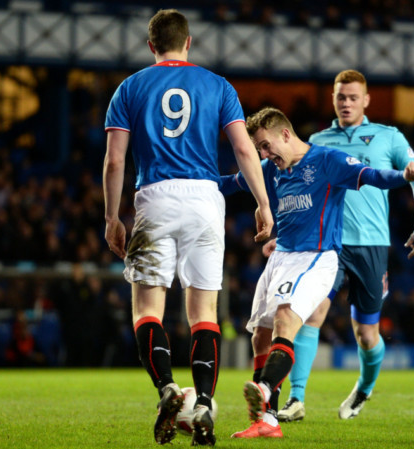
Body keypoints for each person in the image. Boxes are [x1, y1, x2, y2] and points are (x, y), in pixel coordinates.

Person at [103, 9, 273, 446]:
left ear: (151, 45)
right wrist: (262, 205)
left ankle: (166, 389)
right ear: (189, 42)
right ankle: (201, 404)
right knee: (204, 316)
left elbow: (115, 160)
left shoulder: (130, 87)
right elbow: (242, 149)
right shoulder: (218, 86)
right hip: (204, 200)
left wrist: (111, 217)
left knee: (148, 311)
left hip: (154, 198)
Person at [219, 107, 414, 438]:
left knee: (287, 320)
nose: (264, 154)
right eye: (259, 149)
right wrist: (191, 184)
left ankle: (268, 389)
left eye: (266, 145)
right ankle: (267, 421)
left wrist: (404, 176)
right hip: (282, 256)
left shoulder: (328, 160)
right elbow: (231, 182)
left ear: (285, 134)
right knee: (260, 333)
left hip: (316, 257)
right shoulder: (270, 170)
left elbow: (371, 175)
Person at [276, 69, 414, 423]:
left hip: (372, 246)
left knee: (366, 334)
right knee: (311, 315)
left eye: (352, 97)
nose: (346, 103)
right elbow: (295, 186)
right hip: (326, 245)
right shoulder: (317, 140)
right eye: (340, 97)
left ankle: (364, 387)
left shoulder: (387, 137)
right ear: (332, 99)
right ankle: (296, 399)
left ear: (366, 100)